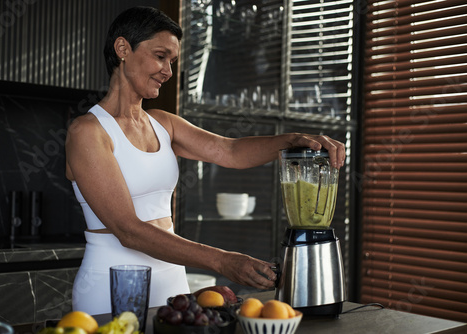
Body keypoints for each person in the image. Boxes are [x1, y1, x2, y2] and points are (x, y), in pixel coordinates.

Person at [66, 6, 345, 315]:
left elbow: (230, 151)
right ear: (123, 49)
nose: (169, 72)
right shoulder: (88, 132)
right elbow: (127, 229)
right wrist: (223, 261)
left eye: (172, 62)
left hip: (173, 286)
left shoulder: (163, 123)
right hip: (109, 288)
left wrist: (291, 139)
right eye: (160, 56)